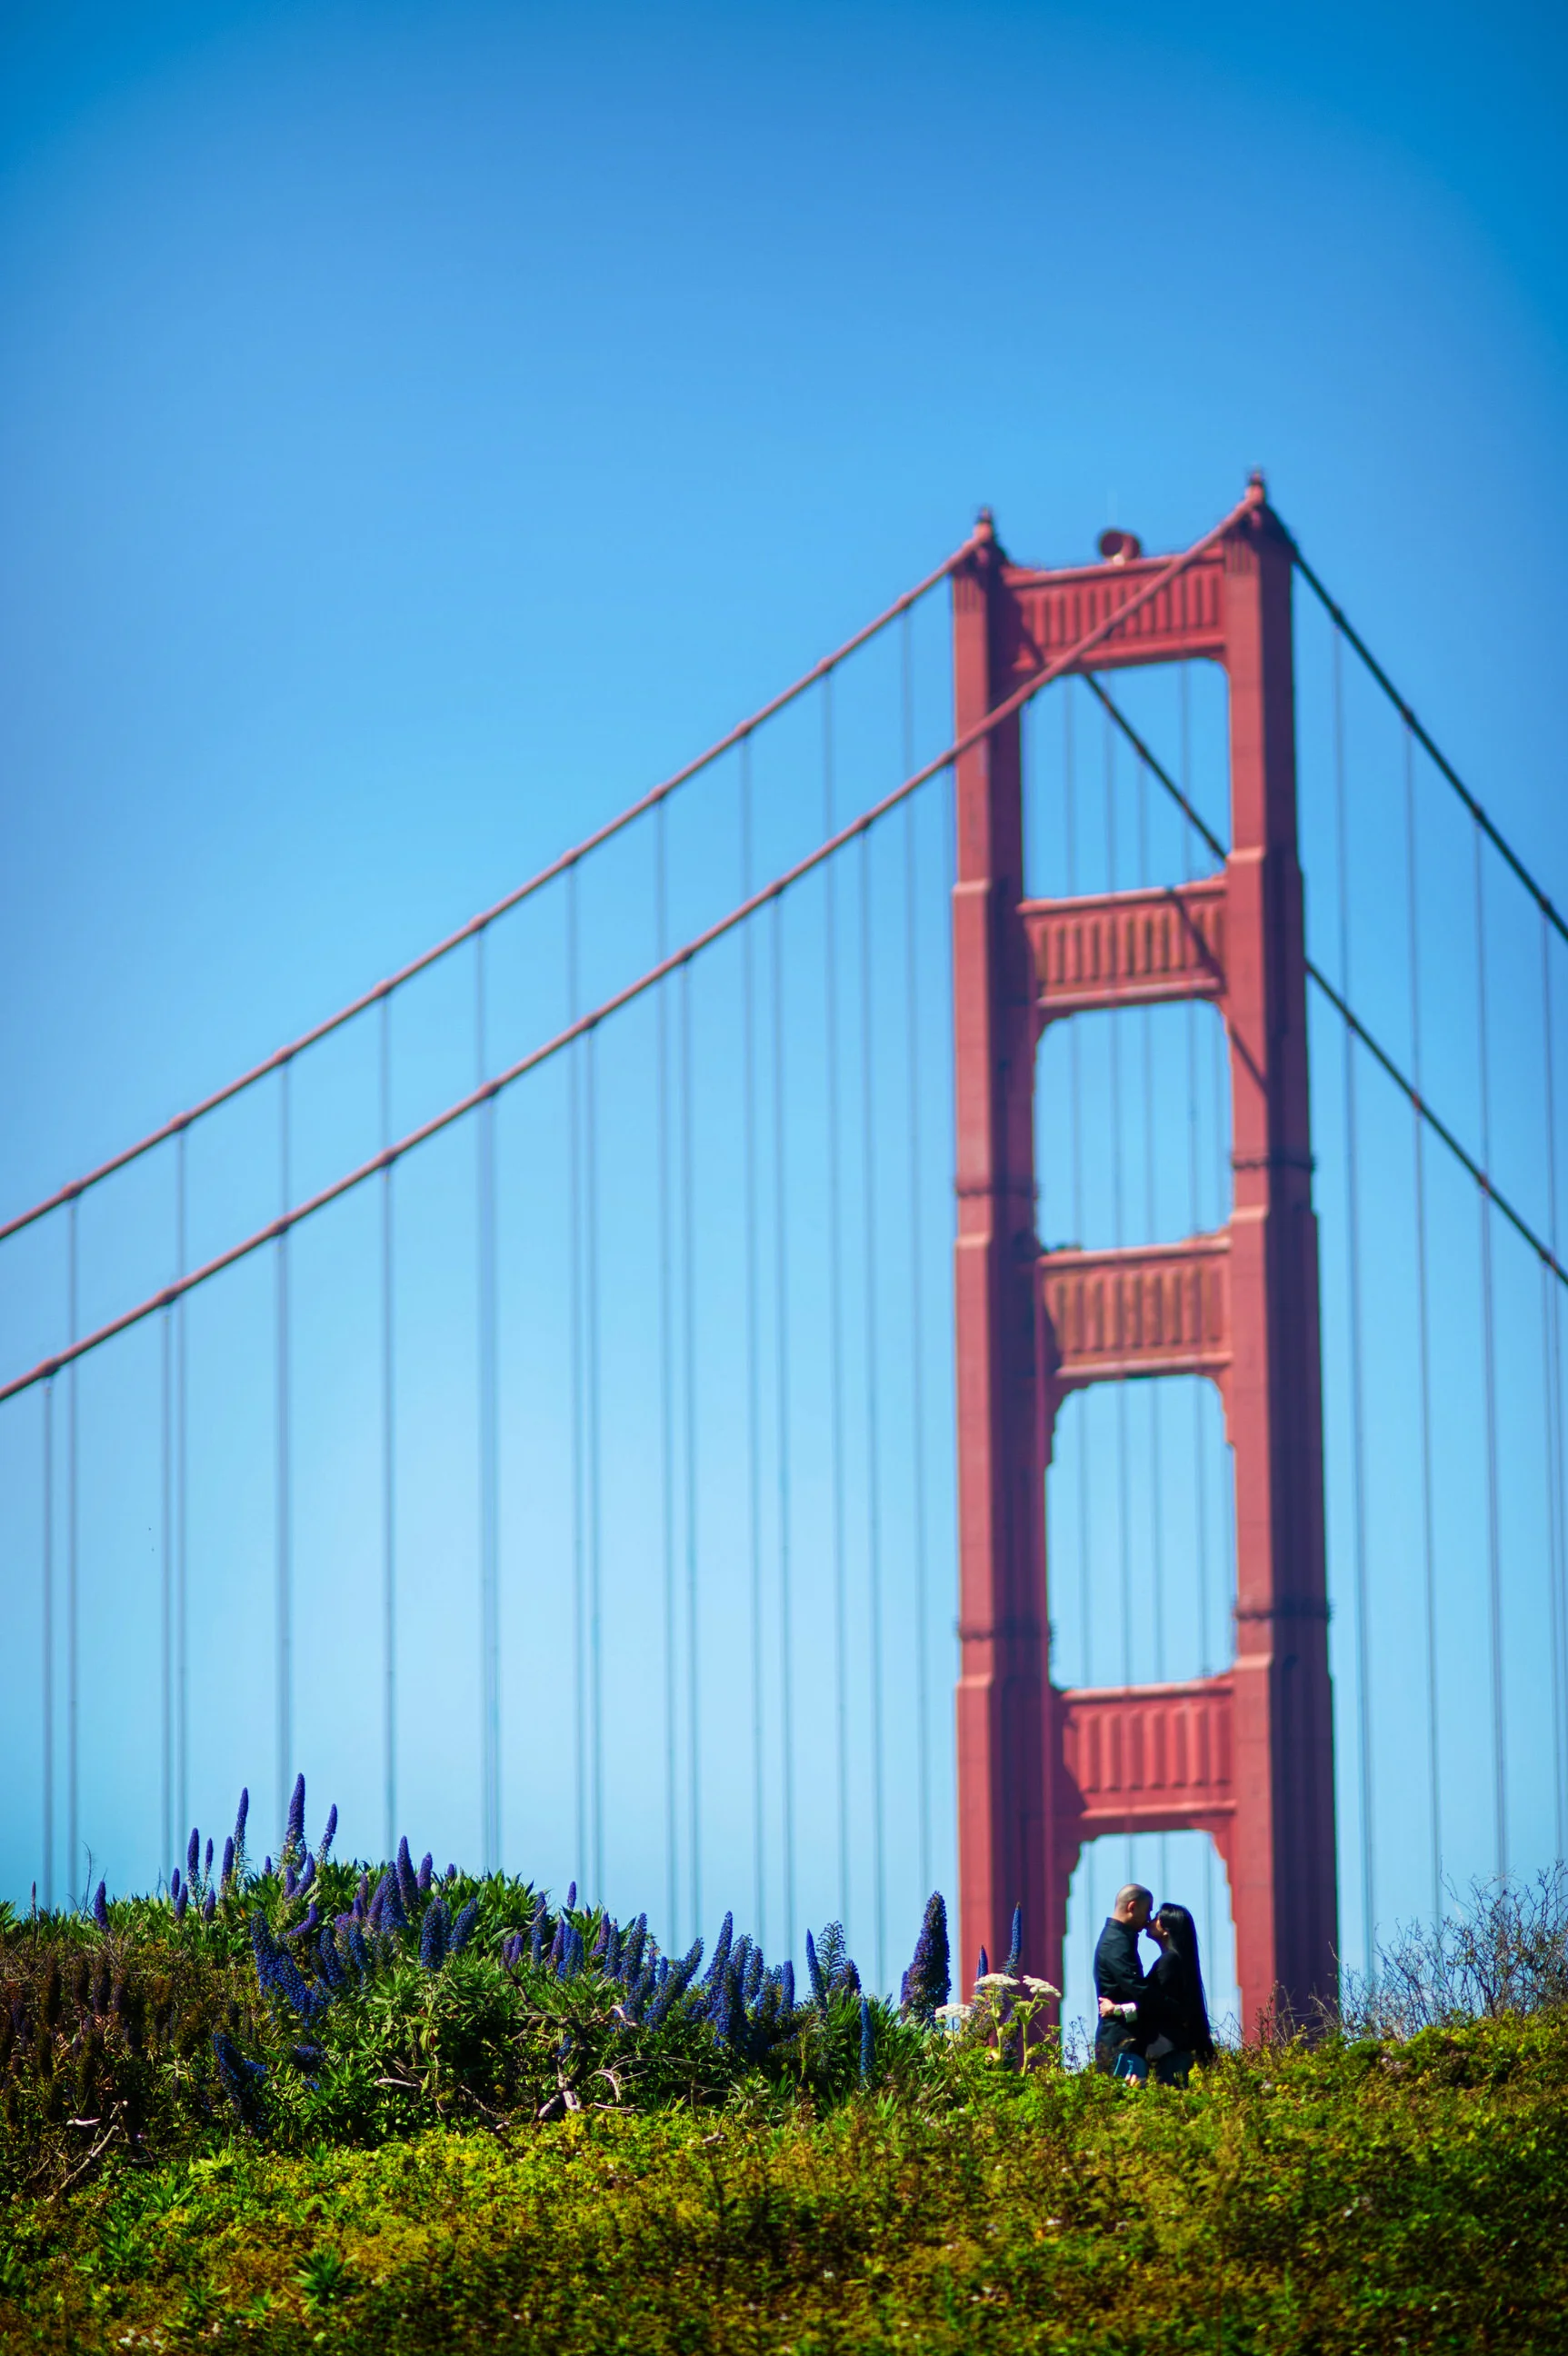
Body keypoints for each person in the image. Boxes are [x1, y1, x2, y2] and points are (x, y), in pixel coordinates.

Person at [1101, 1901, 1216, 2085]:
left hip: (1167, 2051)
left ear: (1165, 1930)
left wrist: (1116, 2009)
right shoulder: (1175, 1961)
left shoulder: (1168, 1962)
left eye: (1156, 1918)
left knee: (1170, 2103)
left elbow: (1156, 2004)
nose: (1149, 1920)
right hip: (1172, 2050)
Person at [1092, 1883, 1151, 2074]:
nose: (1149, 1920)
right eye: (1147, 1911)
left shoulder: (1118, 1939)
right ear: (1132, 1907)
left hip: (1121, 2042)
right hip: (1121, 2045)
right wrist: (1169, 2003)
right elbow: (1138, 1991)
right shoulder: (1116, 1943)